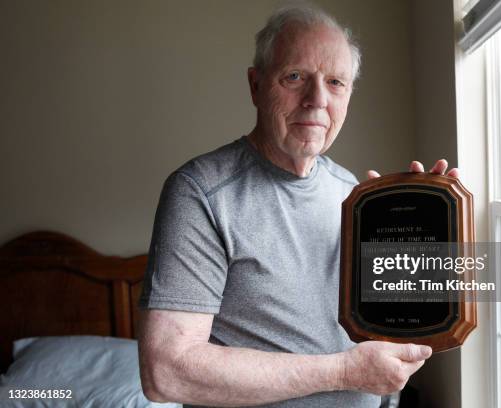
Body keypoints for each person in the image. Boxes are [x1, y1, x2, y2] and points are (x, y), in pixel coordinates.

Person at [138, 4, 458, 408]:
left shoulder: (355, 194)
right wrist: (344, 372)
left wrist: (435, 226)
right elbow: (167, 372)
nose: (317, 100)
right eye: (295, 77)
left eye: (336, 82)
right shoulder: (200, 193)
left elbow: (388, 326)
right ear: (256, 85)